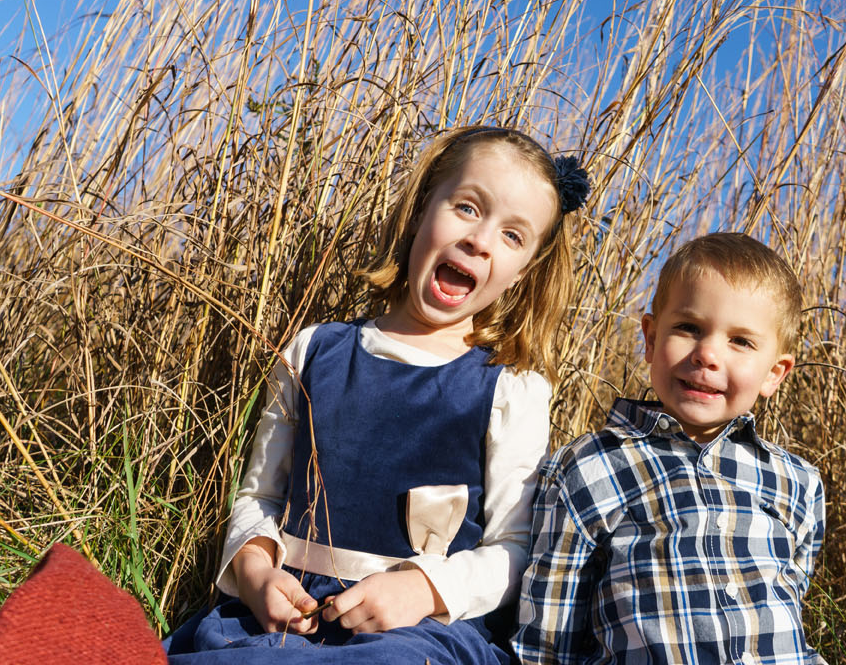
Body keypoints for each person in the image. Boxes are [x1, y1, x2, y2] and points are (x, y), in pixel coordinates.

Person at [165, 126, 590, 664]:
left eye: (512, 235)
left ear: (522, 272)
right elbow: (261, 496)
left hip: (419, 636)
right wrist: (253, 572)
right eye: (466, 207)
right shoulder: (313, 351)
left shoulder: (511, 387)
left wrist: (422, 590)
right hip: (283, 621)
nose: (480, 240)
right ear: (420, 209)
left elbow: (512, 549)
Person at [512, 232, 826, 665]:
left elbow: (790, 594)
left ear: (774, 373)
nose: (708, 355)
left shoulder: (797, 481)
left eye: (741, 341)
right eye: (688, 328)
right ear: (650, 337)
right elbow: (548, 635)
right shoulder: (591, 467)